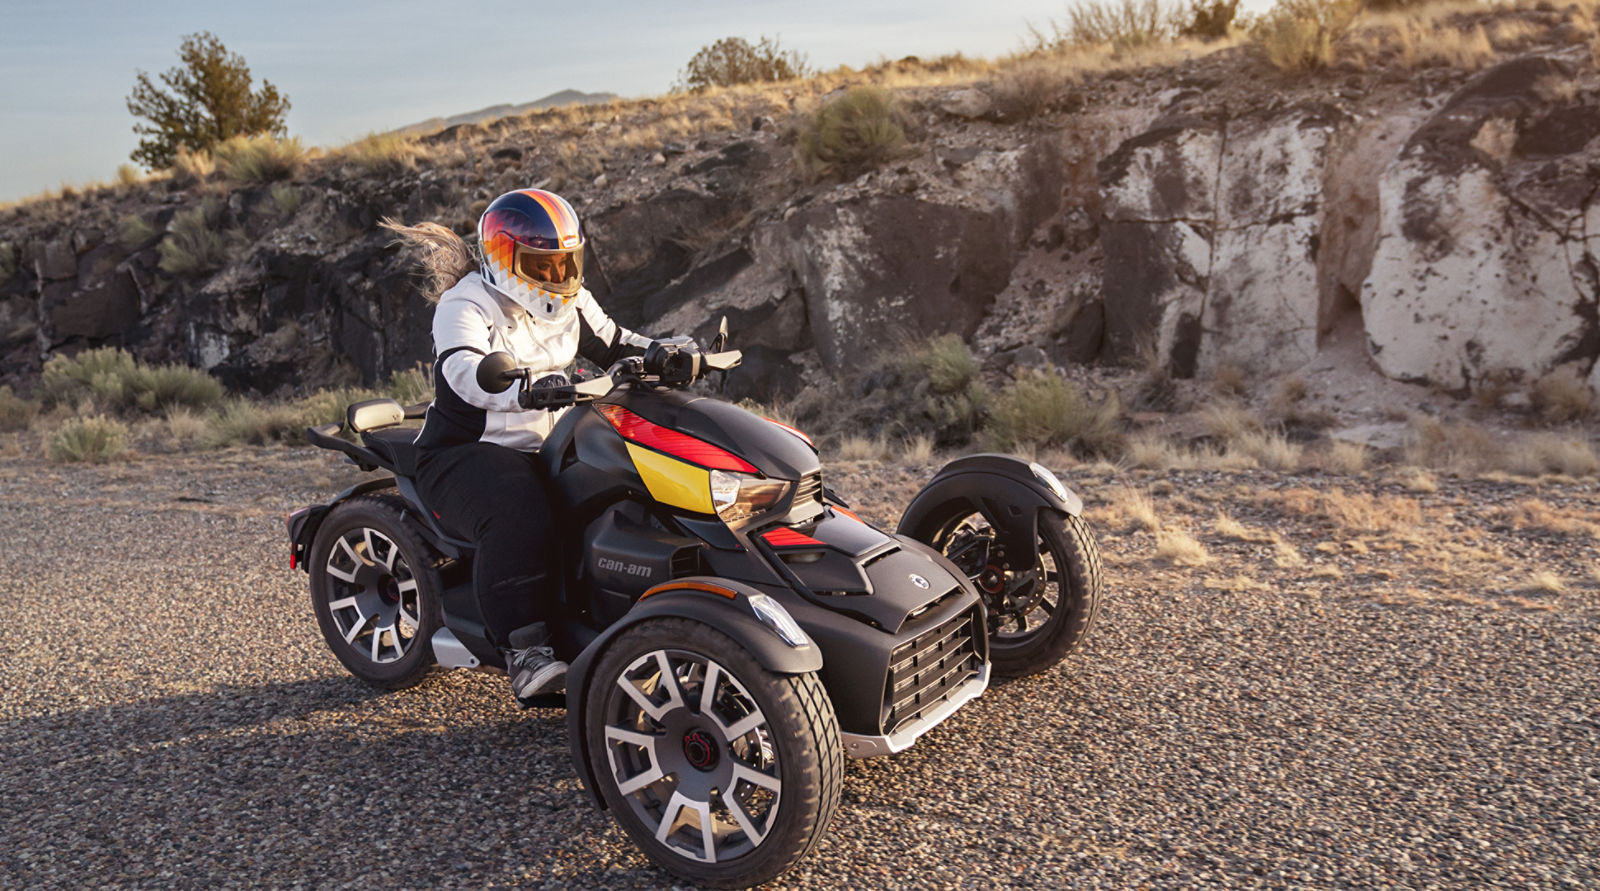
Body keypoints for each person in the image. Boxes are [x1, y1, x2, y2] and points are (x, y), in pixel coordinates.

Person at [382, 189, 657, 705]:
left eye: (564, 263)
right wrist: (524, 386)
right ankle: (525, 649)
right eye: (542, 265)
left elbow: (617, 340)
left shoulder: (571, 299)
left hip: (550, 442)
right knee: (519, 513)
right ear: (504, 259)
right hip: (468, 451)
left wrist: (669, 352)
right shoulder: (465, 303)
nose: (557, 277)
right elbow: (463, 369)